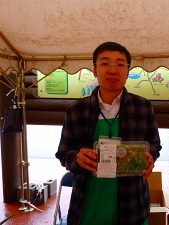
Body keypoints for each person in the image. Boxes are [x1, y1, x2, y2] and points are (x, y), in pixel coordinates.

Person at [55, 41, 162, 225]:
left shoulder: (143, 107)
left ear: (128, 71)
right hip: (87, 208)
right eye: (105, 63)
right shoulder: (76, 110)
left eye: (120, 64)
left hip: (132, 206)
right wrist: (77, 158)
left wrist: (150, 156)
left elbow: (154, 145)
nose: (113, 70)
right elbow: (64, 154)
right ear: (95, 70)